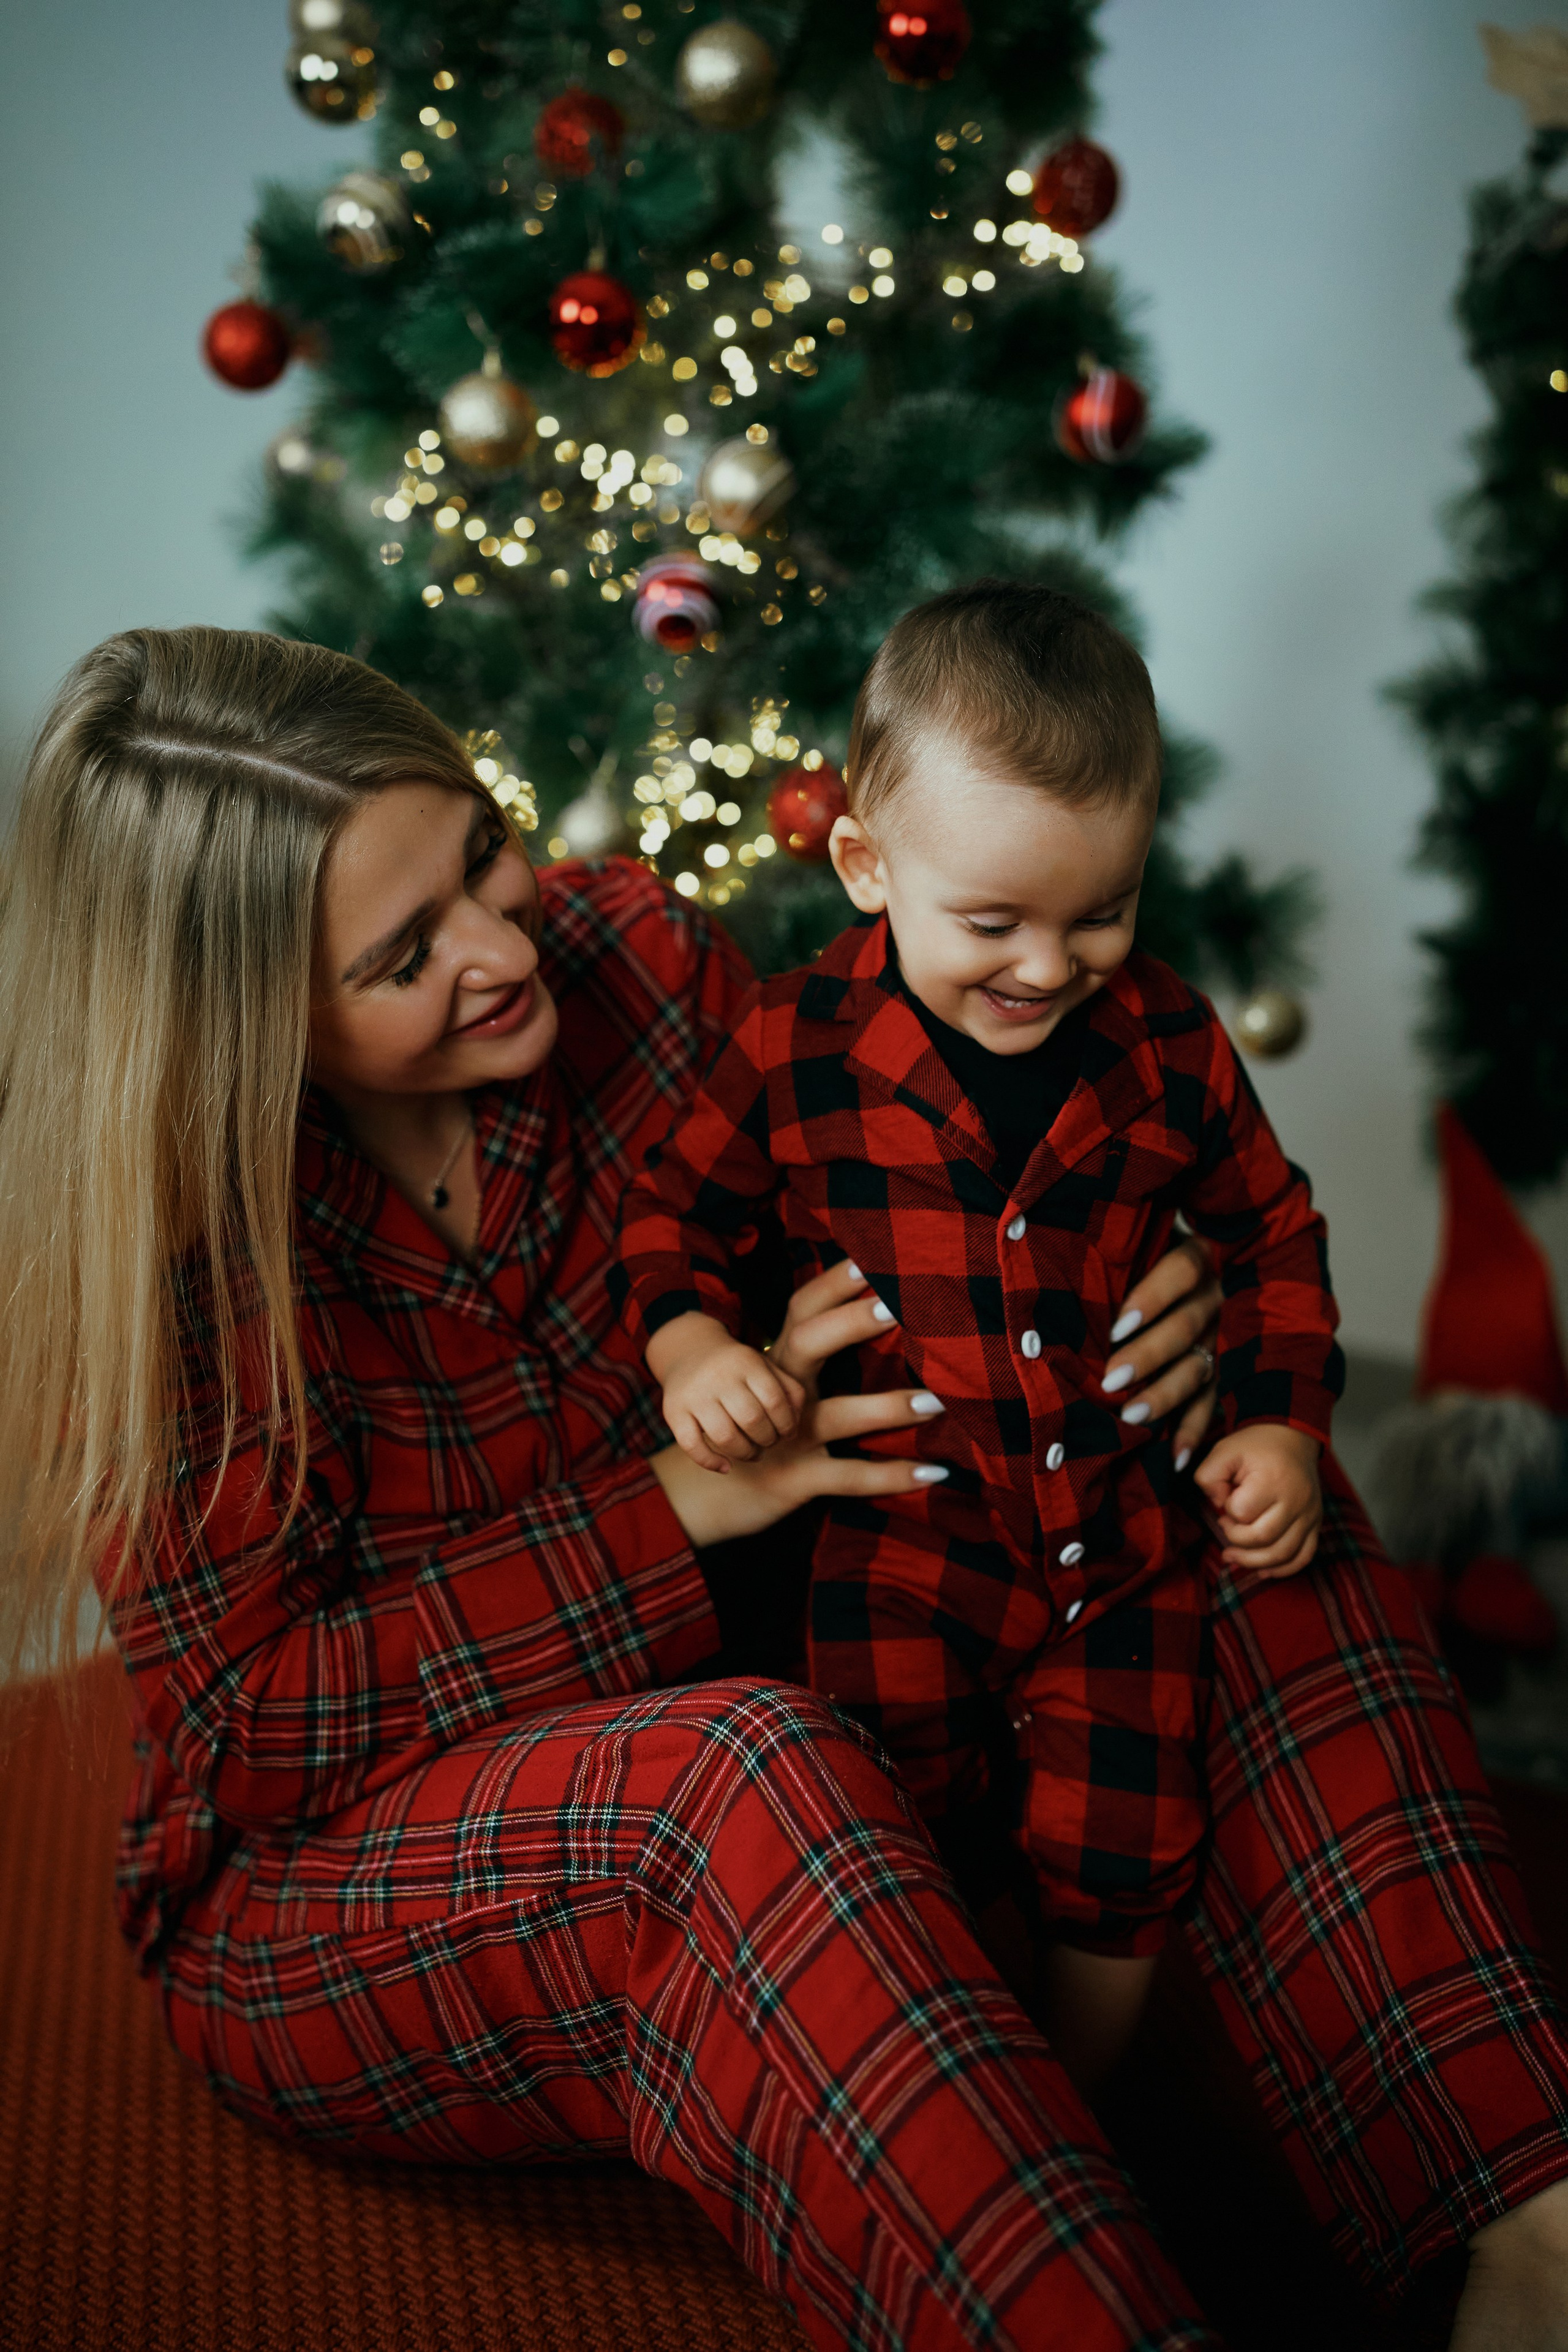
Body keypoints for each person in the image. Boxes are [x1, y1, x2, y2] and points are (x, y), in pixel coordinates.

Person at [1, 625, 1565, 2352]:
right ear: (238, 1030)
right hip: (336, 1879)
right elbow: (250, 1732)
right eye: (401, 954)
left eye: (479, 853)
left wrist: (1152, 1289)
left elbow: (899, 1183)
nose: (502, 940)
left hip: (837, 1674)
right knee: (742, 1773)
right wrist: (667, 1514)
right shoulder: (170, 1265)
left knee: (1225, 1498)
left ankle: (1530, 2220)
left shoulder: (644, 962)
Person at [616, 582, 1338, 2085]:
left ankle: (1085, 2118)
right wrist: (694, 1349)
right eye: (990, 920)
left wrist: (1276, 1419)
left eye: (1101, 912)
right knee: (893, 1836)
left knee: (1124, 1845)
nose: (1045, 966)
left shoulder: (1167, 1045)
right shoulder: (795, 1046)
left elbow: (1272, 1235)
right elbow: (672, 1218)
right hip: (903, 1547)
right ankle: (949, 2097)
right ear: (867, 866)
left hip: (1123, 1544)